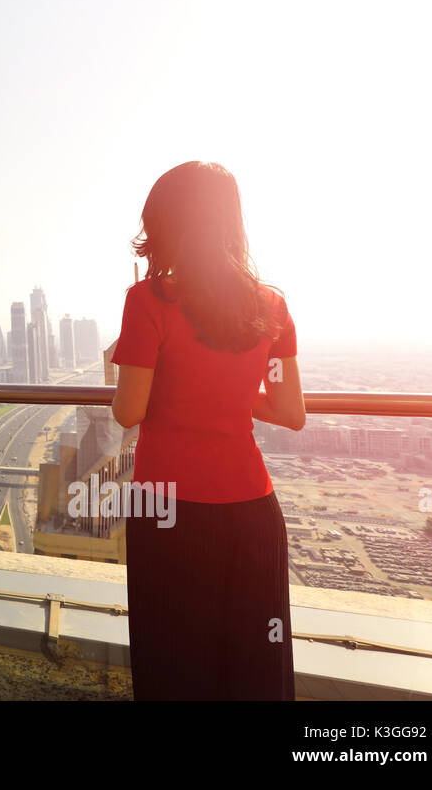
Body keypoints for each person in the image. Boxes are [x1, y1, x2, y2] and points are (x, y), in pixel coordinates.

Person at [110, 161, 305, 700]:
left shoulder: (148, 301)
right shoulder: (272, 306)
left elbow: (129, 411)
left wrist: (128, 369)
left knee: (174, 664)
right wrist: (237, 395)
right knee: (253, 669)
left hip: (168, 510)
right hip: (253, 514)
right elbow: (290, 410)